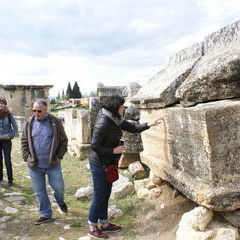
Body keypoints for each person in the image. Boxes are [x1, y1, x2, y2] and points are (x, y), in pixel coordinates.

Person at [87, 95, 164, 239]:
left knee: (106, 193)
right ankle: (92, 226)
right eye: (123, 107)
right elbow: (94, 146)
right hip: (99, 163)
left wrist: (149, 124)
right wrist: (113, 150)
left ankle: (104, 223)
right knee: (99, 195)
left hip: (109, 162)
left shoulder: (115, 118)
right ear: (116, 108)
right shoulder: (103, 123)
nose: (125, 109)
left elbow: (133, 127)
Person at [21, 99, 68, 225]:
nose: (36, 113)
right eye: (34, 110)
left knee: (59, 188)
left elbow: (64, 141)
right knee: (40, 192)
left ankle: (60, 201)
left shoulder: (55, 122)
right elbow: (24, 142)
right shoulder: (29, 123)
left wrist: (59, 156)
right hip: (35, 166)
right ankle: (46, 214)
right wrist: (27, 157)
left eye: (39, 111)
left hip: (52, 164)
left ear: (46, 110)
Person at [0, 97, 18, 186]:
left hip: (6, 141)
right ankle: (0, 179)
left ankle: (10, 180)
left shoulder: (8, 114)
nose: (0, 105)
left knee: (7, 160)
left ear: (4, 104)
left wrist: (10, 135)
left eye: (2, 103)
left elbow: (15, 128)